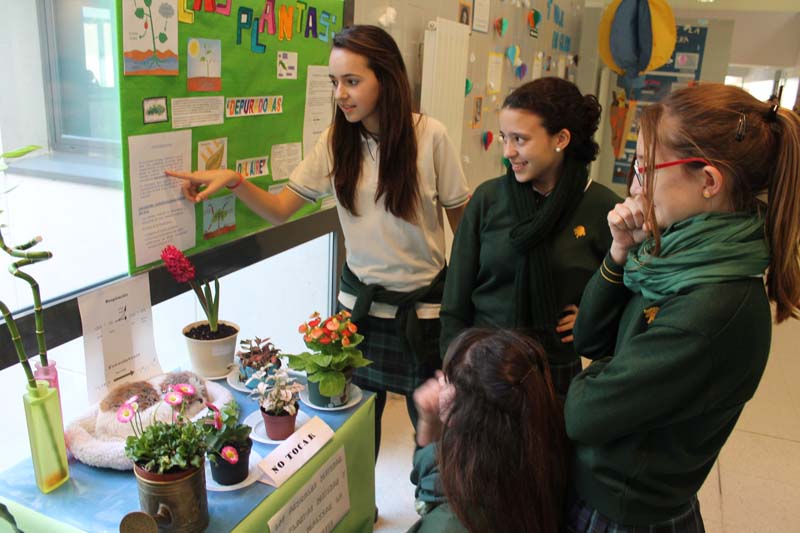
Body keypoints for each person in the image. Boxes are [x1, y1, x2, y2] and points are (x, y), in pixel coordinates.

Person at [166, 25, 470, 459]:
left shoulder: (431, 137)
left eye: (352, 81)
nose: (341, 94)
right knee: (357, 428)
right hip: (357, 310)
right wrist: (235, 180)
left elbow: (465, 227)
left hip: (422, 313)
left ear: (385, 77)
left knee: (433, 432)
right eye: (334, 82)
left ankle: (434, 513)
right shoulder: (335, 143)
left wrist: (476, 303)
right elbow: (280, 208)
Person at [565, 84, 800, 530]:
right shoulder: (670, 257)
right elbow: (590, 338)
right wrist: (618, 254)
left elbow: (583, 413)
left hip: (627, 513)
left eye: (647, 168)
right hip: (607, 493)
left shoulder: (713, 305)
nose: (634, 184)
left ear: (709, 181)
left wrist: (604, 371)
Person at [440, 77, 620, 398]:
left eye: (520, 139)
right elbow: (455, 299)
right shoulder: (488, 199)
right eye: (503, 137)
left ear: (561, 138)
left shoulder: (602, 207)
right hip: (482, 364)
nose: (508, 151)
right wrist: (452, 368)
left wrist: (590, 317)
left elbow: (625, 289)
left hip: (554, 371)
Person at [409, 328, 568, 532]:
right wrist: (429, 422)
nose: (440, 382)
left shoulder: (449, 523)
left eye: (448, 379)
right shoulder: (541, 444)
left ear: (468, 416)